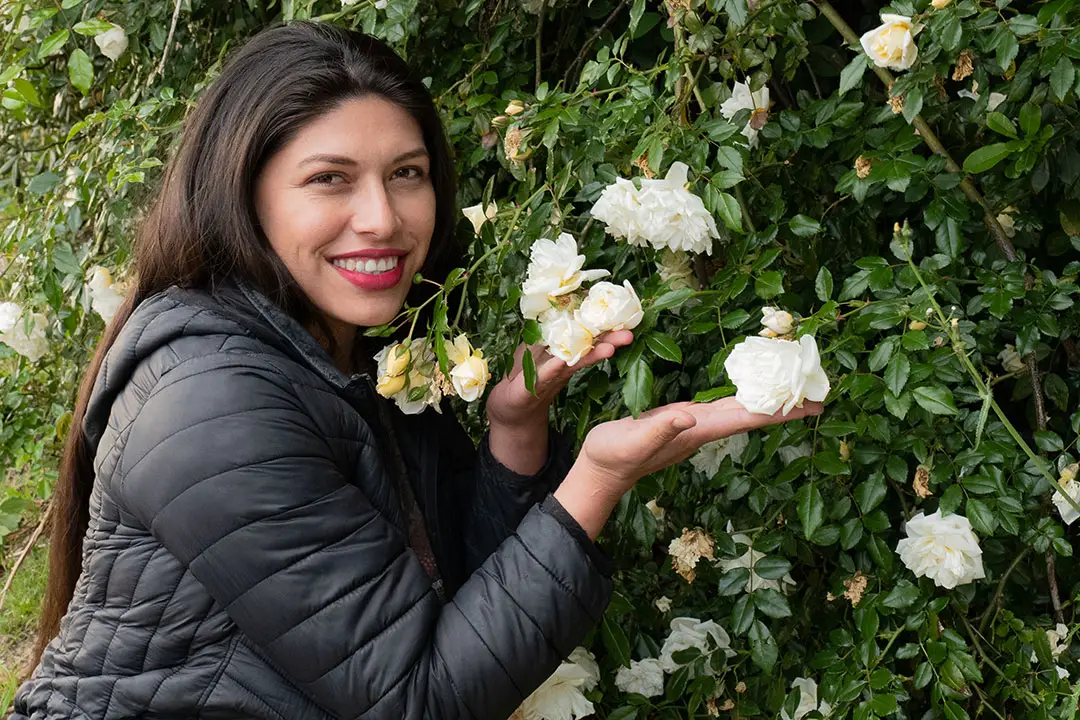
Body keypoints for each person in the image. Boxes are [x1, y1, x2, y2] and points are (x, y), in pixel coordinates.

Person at [12, 22, 821, 720]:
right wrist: (596, 485)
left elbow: (443, 595)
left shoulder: (356, 351)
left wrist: (515, 431)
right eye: (329, 178)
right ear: (242, 193)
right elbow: (419, 698)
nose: (384, 219)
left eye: (407, 173)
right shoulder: (209, 401)